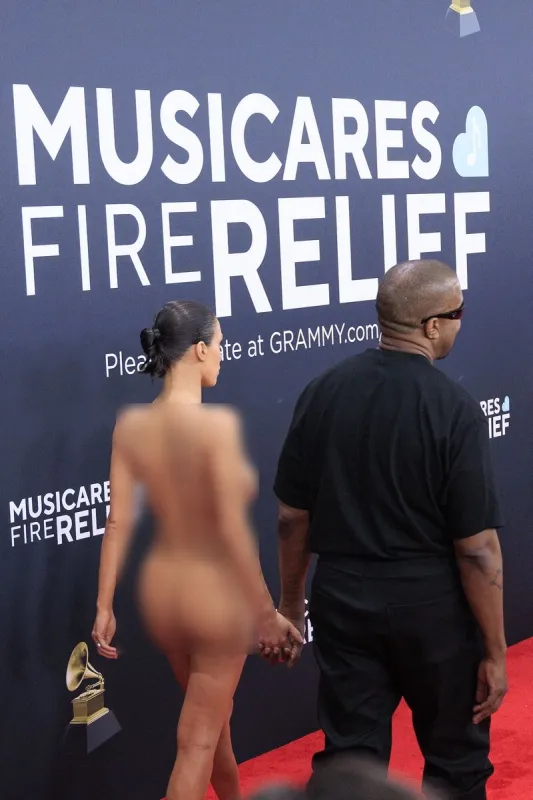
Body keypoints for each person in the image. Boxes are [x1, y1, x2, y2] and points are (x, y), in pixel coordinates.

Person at [271, 260, 507, 800]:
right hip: (435, 609)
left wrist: (291, 605)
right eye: (456, 314)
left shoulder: (321, 391)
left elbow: (290, 517)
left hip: (342, 600)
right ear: (431, 325)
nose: (459, 324)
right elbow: (477, 551)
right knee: (457, 764)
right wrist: (494, 650)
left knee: (349, 763)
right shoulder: (455, 409)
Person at [92, 300, 302, 800]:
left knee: (213, 728)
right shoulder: (214, 429)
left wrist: (104, 605)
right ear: (200, 349)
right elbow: (232, 535)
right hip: (213, 599)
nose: (225, 356)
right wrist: (267, 613)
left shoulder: (131, 425)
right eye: (222, 344)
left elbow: (118, 521)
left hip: (164, 595)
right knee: (197, 741)